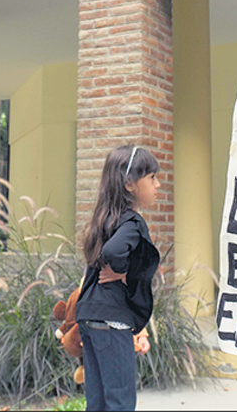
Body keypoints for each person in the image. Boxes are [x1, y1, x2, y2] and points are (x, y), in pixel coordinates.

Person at [74, 145, 161, 411]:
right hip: (112, 320)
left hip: (90, 316)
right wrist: (124, 272)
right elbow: (114, 252)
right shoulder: (132, 223)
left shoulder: (104, 219)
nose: (158, 184)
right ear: (129, 184)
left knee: (98, 402)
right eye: (152, 177)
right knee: (120, 402)